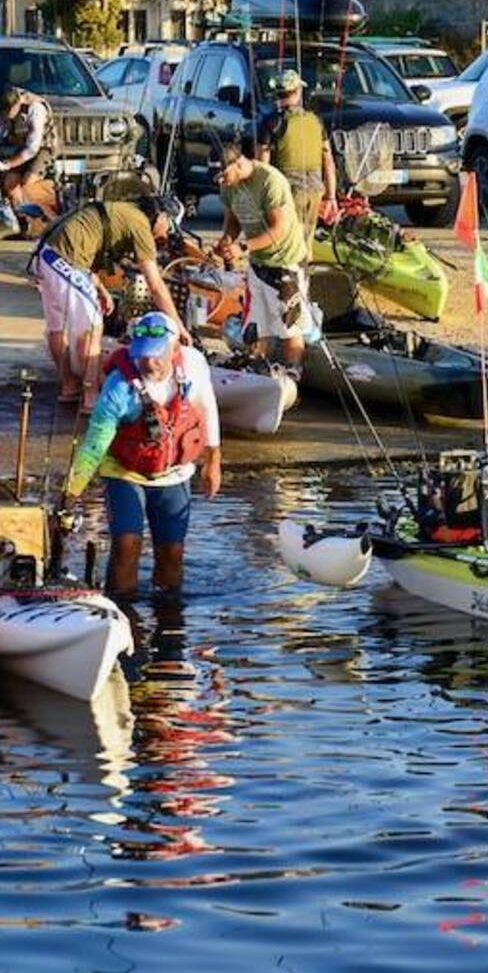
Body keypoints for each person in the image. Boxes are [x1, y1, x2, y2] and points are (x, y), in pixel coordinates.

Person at [62, 312, 222, 598]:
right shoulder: (118, 387)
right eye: (143, 354)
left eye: (157, 355)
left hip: (173, 474)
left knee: (171, 551)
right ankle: (123, 612)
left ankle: (170, 618)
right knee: (127, 543)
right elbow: (94, 446)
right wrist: (70, 496)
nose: (149, 362)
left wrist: (213, 462)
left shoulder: (194, 366)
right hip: (124, 471)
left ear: (174, 350)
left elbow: (208, 410)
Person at [34, 197, 185, 403]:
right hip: (66, 260)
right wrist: (177, 324)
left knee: (57, 327)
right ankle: (91, 397)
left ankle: (69, 386)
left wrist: (100, 288)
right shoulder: (140, 224)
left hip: (45, 255)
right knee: (91, 329)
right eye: (170, 226)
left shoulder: (124, 210)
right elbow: (155, 285)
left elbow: (89, 242)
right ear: (162, 217)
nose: (165, 234)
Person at [213, 141, 314, 367]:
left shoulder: (270, 180)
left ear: (238, 163)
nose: (221, 181)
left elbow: (280, 229)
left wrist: (244, 248)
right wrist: (227, 240)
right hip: (258, 265)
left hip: (285, 263)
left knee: (290, 327)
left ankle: (292, 374)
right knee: (257, 326)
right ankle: (259, 367)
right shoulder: (228, 185)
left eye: (223, 175)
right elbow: (232, 219)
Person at [256, 69, 338, 239]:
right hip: (315, 190)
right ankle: (305, 264)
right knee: (306, 241)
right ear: (298, 92)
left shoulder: (272, 122)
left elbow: (262, 165)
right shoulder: (316, 120)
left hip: (288, 191)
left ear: (277, 93)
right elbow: (328, 161)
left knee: (288, 243)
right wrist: (331, 196)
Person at [0, 84, 53, 208]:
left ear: (16, 105)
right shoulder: (6, 107)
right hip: (21, 145)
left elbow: (32, 149)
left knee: (28, 183)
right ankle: (21, 214)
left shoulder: (35, 109)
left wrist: (7, 164)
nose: (6, 115)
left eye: (8, 112)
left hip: (43, 147)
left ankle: (44, 214)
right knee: (10, 183)